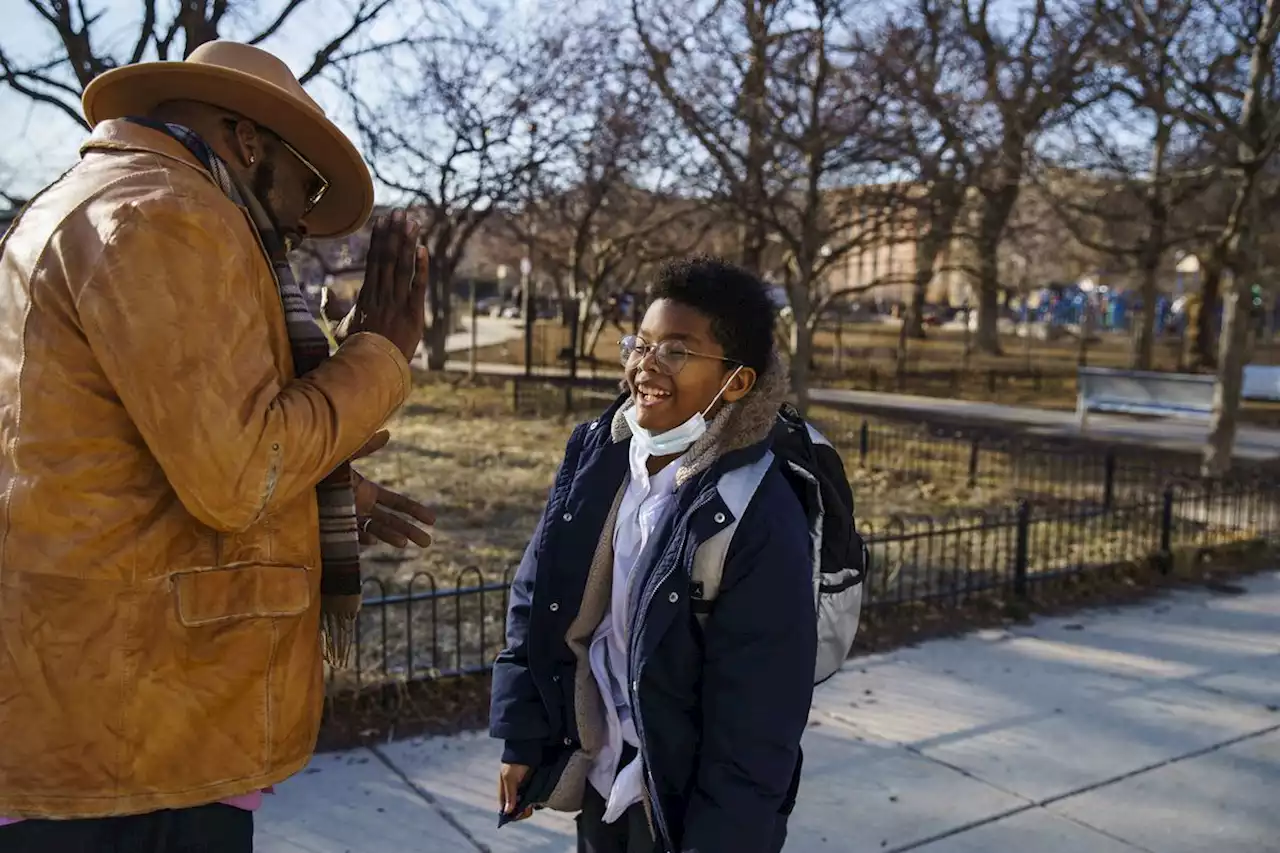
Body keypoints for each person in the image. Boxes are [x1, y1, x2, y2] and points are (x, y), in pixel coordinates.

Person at [0, 41, 434, 850]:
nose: (305, 221)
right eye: (306, 184)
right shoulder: (168, 213)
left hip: (99, 713)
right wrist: (378, 357)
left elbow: (128, 458)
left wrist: (336, 498)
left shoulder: (79, 201)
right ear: (246, 141)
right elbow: (239, 471)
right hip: (136, 738)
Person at [490, 257, 818, 853]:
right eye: (640, 344)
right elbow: (537, 597)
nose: (646, 366)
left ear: (735, 382)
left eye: (676, 350)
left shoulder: (758, 511)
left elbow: (760, 715)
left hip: (679, 798)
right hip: (600, 769)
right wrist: (523, 738)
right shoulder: (599, 452)